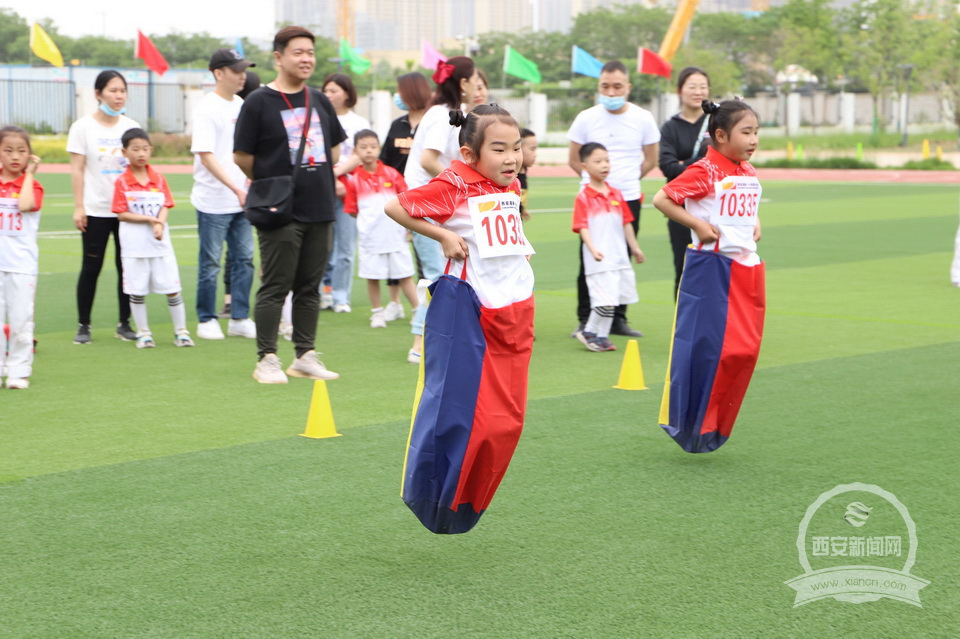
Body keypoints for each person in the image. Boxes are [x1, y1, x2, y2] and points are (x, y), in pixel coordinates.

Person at [385, 104, 535, 534]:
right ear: (470, 155)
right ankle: (435, 494)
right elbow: (398, 208)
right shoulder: (456, 182)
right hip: (470, 312)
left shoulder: (510, 186)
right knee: (467, 416)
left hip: (513, 311)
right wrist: (444, 234)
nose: (512, 158)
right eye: (500, 149)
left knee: (507, 423)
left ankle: (467, 499)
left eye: (517, 147)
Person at [234, 25, 346, 384]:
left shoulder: (320, 99)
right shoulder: (257, 102)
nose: (306, 59)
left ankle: (304, 355)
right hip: (279, 209)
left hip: (320, 206)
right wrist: (274, 181)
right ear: (279, 57)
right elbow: (242, 157)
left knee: (310, 286)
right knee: (276, 285)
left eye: (310, 53)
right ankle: (266, 358)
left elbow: (333, 151)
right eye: (298, 52)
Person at [652, 99, 764, 453]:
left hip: (746, 267)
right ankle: (690, 423)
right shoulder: (706, 169)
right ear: (720, 135)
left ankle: (714, 421)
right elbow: (662, 199)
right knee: (706, 349)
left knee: (743, 351)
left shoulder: (747, 170)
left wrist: (754, 223)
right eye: (746, 132)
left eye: (756, 132)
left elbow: (747, 210)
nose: (753, 139)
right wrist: (698, 224)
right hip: (712, 268)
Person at [567, 60, 660, 338]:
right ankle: (586, 319)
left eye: (617, 86)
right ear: (598, 87)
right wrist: (595, 185)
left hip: (627, 198)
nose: (610, 91)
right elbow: (573, 159)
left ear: (628, 87)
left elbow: (651, 159)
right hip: (593, 201)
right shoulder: (586, 117)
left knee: (623, 257)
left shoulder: (643, 118)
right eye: (605, 86)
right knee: (590, 258)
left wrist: (625, 182)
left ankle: (617, 318)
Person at [403, 56, 484, 363]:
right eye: (475, 78)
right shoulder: (441, 115)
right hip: (425, 205)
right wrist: (456, 186)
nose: (478, 84)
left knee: (450, 273)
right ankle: (418, 344)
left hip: (440, 205)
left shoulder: (456, 113)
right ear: (462, 83)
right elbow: (427, 160)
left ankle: (445, 339)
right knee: (438, 275)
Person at [67, 70, 141, 344]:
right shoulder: (82, 127)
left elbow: (139, 167)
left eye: (122, 90)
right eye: (112, 90)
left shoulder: (131, 126)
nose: (119, 95)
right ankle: (83, 325)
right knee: (91, 267)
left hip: (126, 211)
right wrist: (79, 207)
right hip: (96, 209)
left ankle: (125, 323)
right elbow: (76, 170)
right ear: (98, 94)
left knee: (127, 267)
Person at [192, 48, 257, 341]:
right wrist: (235, 187)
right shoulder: (206, 108)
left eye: (244, 70)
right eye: (236, 70)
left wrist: (250, 184)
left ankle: (240, 316)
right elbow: (206, 155)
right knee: (211, 262)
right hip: (214, 200)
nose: (242, 75)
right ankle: (206, 318)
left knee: (244, 258)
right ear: (219, 74)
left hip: (242, 198)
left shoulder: (242, 104)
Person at [111, 129, 193, 349]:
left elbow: (166, 205)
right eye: (135, 149)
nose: (141, 154)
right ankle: (144, 333)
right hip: (134, 247)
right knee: (137, 290)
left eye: (145, 149)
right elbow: (121, 213)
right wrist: (150, 220)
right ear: (124, 152)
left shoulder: (158, 178)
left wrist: (159, 223)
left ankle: (181, 332)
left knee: (172, 287)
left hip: (160, 245)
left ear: (151, 150)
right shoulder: (122, 182)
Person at [342, 130, 419, 332]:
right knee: (372, 276)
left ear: (379, 148)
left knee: (404, 274)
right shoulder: (353, 180)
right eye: (363, 147)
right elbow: (352, 210)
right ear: (355, 150)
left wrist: (408, 228)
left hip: (395, 236)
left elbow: (406, 199)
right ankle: (377, 312)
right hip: (371, 238)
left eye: (373, 146)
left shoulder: (392, 174)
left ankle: (418, 311)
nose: (369, 151)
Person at [572, 143, 645, 352]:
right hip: (599, 257)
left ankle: (602, 336)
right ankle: (589, 331)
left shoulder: (616, 194)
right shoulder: (584, 197)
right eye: (598, 161)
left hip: (618, 256)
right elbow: (582, 226)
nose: (604, 165)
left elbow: (627, 223)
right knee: (604, 298)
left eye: (606, 160)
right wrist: (593, 248)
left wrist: (635, 248)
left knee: (614, 297)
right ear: (584, 167)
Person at [380, 72, 432, 321]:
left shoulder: (432, 123)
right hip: (398, 200)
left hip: (427, 199)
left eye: (401, 91)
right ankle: (394, 302)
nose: (397, 96)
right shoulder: (397, 124)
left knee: (427, 259)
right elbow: (385, 161)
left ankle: (425, 309)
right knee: (395, 250)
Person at [659, 66, 711, 297]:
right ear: (680, 91)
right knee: (684, 268)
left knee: (713, 268)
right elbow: (667, 167)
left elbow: (717, 163)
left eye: (703, 87)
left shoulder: (715, 124)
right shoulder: (670, 127)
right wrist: (699, 161)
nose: (698, 91)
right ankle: (681, 328)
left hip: (711, 207)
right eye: (692, 86)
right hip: (679, 209)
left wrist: (684, 164)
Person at [321, 73, 370, 314]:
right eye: (326, 91)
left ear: (347, 94)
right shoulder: (317, 118)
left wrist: (338, 176)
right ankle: (321, 292)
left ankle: (340, 296)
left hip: (349, 191)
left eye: (334, 91)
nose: (329, 95)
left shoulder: (359, 123)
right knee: (320, 245)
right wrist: (332, 179)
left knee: (345, 248)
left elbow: (362, 154)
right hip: (320, 189)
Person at [0, 126, 44, 389]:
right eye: (8, 151)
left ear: (30, 155)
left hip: (22, 265)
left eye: (22, 151)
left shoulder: (33, 186)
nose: (15, 156)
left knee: (20, 319)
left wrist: (29, 175)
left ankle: (18, 370)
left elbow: (25, 205)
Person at [220, 70, 263, 319]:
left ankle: (232, 301)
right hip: (246, 189)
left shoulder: (244, 111)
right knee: (243, 253)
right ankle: (238, 303)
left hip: (246, 189)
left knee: (237, 253)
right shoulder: (246, 112)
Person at [518, 128, 538, 221]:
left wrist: (522, 209)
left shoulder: (523, 169)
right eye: (532, 149)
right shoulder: (511, 175)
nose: (535, 154)